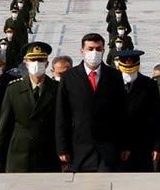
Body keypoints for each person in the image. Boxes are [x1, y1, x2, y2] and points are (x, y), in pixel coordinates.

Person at [55, 33, 128, 172]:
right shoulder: (70, 77)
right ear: (82, 51)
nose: (94, 52)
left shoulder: (114, 75)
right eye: (90, 48)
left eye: (98, 49)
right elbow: (62, 114)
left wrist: (125, 145)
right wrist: (62, 147)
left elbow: (122, 112)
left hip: (108, 145)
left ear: (103, 51)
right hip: (80, 145)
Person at [0, 42, 60, 173]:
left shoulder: (56, 88)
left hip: (48, 151)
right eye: (33, 60)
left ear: (46, 63)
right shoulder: (14, 89)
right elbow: (4, 124)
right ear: (25, 62)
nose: (37, 63)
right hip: (20, 152)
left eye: (41, 60)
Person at [116, 50, 160, 173]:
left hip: (143, 144)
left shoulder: (149, 85)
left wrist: (158, 146)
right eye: (126, 67)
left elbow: (157, 116)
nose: (129, 70)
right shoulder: (110, 83)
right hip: (117, 145)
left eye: (132, 67)